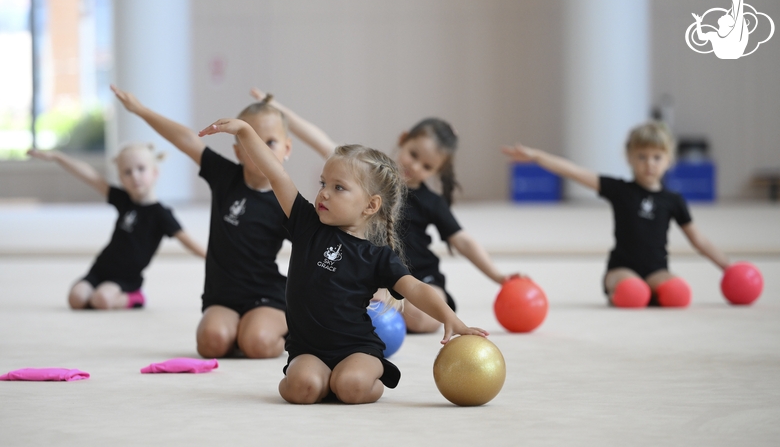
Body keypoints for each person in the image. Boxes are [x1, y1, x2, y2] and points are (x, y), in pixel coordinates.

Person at [199, 117, 488, 404]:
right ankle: (324, 380)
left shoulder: (377, 256)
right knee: (301, 389)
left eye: (339, 187)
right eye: (324, 182)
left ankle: (370, 379)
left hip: (356, 348)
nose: (324, 192)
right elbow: (276, 174)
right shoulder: (305, 224)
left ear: (371, 205)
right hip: (308, 350)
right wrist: (246, 132)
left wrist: (451, 319)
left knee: (350, 386)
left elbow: (416, 289)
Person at [249, 88, 517, 333]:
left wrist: (498, 276)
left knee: (422, 317)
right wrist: (276, 108)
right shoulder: (364, 174)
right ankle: (379, 311)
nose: (415, 167)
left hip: (420, 277)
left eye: (427, 167)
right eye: (413, 154)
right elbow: (320, 140)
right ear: (403, 140)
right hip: (371, 275)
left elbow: (464, 241)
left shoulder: (431, 202)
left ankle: (389, 312)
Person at [111, 85, 291, 359]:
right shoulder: (225, 176)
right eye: (250, 141)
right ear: (238, 151)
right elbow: (186, 139)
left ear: (286, 149)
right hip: (224, 295)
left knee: (258, 343)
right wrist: (140, 110)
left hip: (267, 294)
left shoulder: (288, 200)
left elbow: (319, 248)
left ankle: (277, 328)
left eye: (270, 143)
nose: (260, 150)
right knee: (212, 343)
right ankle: (239, 329)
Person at [502, 121, 730, 308]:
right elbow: (573, 171)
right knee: (633, 293)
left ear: (668, 160)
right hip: (622, 269)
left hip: (656, 270)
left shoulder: (673, 200)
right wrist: (535, 155)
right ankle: (622, 292)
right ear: (629, 158)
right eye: (642, 156)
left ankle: (650, 292)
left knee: (679, 294)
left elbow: (698, 240)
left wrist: (728, 268)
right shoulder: (620, 190)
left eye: (656, 157)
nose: (649, 163)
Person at [27, 145, 205, 310]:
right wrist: (58, 157)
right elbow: (90, 176)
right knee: (76, 298)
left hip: (126, 278)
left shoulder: (161, 214)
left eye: (141, 169)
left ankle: (135, 297)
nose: (134, 175)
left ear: (155, 173)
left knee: (101, 300)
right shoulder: (123, 200)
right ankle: (98, 292)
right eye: (127, 172)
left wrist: (212, 258)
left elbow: (187, 241)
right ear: (121, 179)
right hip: (101, 268)